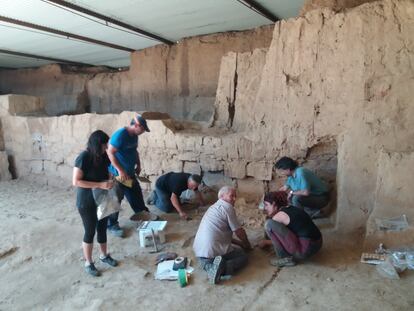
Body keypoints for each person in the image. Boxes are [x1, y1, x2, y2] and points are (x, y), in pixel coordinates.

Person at [73, 130, 118, 277]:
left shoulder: (102, 156)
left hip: (101, 198)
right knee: (90, 231)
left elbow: (107, 170)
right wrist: (99, 185)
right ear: (97, 144)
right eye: (104, 145)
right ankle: (88, 262)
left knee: (102, 228)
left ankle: (104, 255)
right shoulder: (84, 157)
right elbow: (76, 181)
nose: (106, 148)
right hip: (86, 201)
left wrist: (110, 177)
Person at [107, 114, 155, 237]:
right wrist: (120, 170)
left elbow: (134, 151)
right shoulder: (120, 135)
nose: (143, 132)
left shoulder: (134, 136)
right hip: (117, 176)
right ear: (137, 125)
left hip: (129, 174)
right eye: (143, 129)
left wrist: (138, 164)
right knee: (115, 199)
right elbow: (110, 152)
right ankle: (112, 225)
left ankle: (143, 215)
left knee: (136, 194)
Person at [193, 186, 252, 284]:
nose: (234, 199)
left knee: (212, 257)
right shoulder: (227, 207)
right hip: (211, 249)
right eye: (231, 196)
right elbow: (239, 231)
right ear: (221, 196)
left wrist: (240, 243)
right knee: (242, 256)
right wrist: (247, 244)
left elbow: (221, 234)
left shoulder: (214, 207)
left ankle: (209, 267)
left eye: (235, 196)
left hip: (200, 250)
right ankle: (223, 269)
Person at [258, 191, 322, 267]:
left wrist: (266, 242)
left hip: (306, 250)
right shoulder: (291, 208)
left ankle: (286, 259)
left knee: (269, 224)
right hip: (318, 243)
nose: (265, 208)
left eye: (266, 205)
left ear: (274, 204)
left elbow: (280, 239)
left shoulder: (278, 217)